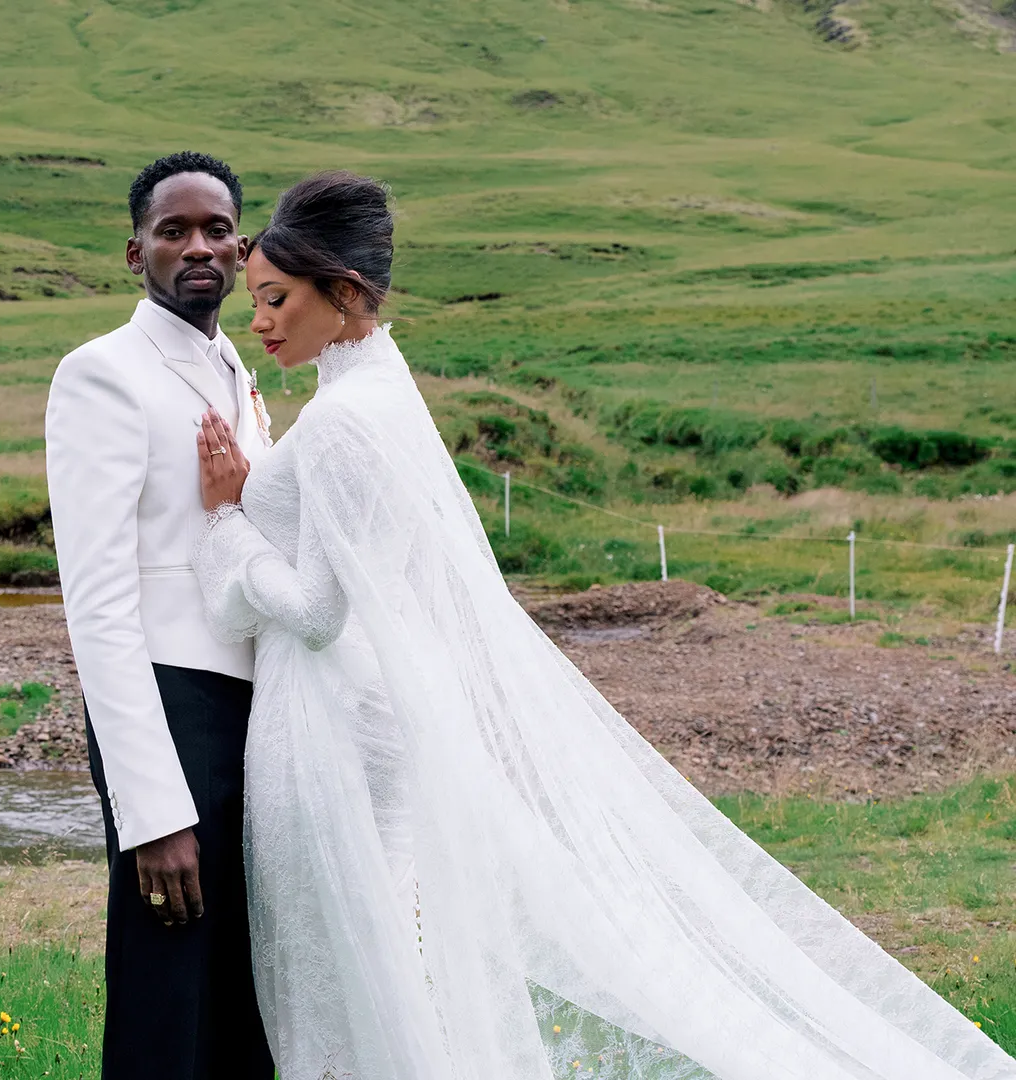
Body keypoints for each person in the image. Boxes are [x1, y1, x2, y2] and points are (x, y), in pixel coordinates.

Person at [189, 171, 1016, 1080]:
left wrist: (229, 518)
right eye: (253, 301)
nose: (257, 322)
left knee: (345, 965)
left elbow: (315, 612)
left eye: (273, 299)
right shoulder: (378, 384)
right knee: (380, 948)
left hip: (333, 720)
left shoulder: (345, 420)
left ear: (342, 294)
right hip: (360, 712)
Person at [45, 151, 277, 1080]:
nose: (198, 247)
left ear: (243, 245)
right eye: (173, 231)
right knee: (167, 982)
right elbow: (98, 601)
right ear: (133, 250)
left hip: (260, 707)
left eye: (216, 229)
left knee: (243, 982)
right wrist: (152, 811)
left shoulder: (241, 372)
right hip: (170, 706)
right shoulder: (101, 374)